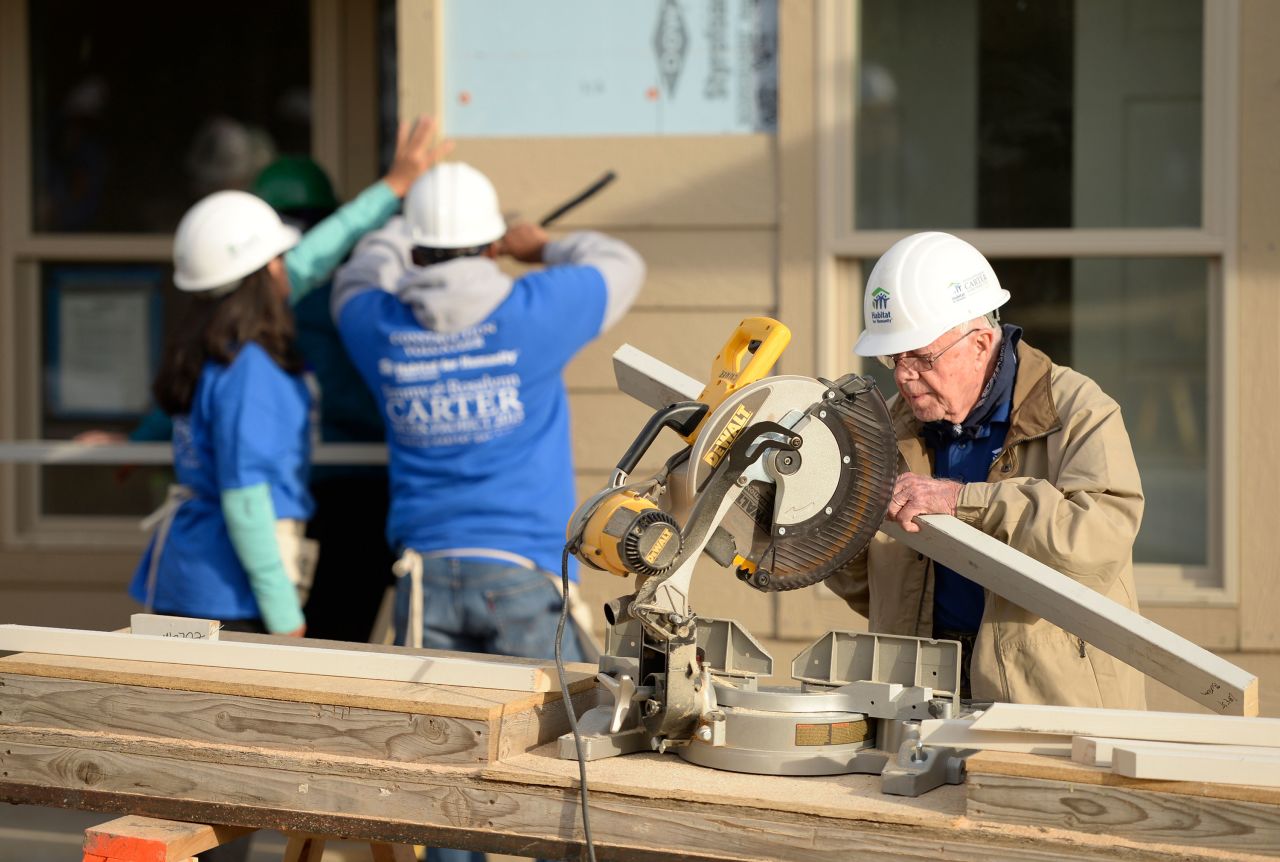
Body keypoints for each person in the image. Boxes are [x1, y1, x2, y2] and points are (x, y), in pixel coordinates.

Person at [118, 121, 443, 643]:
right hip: (235, 587)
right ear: (266, 268)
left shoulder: (207, 343)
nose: (288, 263)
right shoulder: (252, 369)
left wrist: (135, 443)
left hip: (187, 571)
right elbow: (246, 500)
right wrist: (285, 616)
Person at [332, 158, 644, 667]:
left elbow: (359, 273)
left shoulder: (376, 326)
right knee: (548, 736)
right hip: (523, 572)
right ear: (493, 243)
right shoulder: (534, 311)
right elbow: (621, 263)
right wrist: (539, 246)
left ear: (415, 249)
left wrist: (401, 204)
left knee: (432, 737)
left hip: (424, 573)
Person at [825, 231, 1146, 710]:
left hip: (1048, 697)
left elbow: (1097, 541)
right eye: (893, 357)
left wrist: (960, 502)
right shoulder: (887, 429)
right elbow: (864, 583)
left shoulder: (1078, 410)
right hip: (916, 687)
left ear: (979, 343)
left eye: (920, 356)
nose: (903, 375)